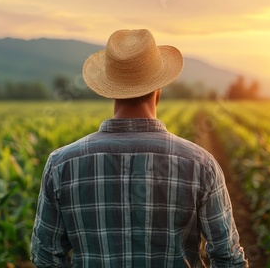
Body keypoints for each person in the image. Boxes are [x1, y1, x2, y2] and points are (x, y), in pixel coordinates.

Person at [30, 29, 248, 267]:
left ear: (109, 90)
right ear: (158, 90)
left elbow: (46, 257)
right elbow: (228, 258)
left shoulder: (61, 164)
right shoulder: (201, 164)